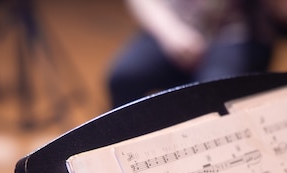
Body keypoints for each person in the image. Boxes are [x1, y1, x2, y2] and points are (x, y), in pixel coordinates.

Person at [107, 0, 273, 108]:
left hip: (232, 33)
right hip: (171, 23)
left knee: (213, 96)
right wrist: (171, 32)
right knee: (123, 78)